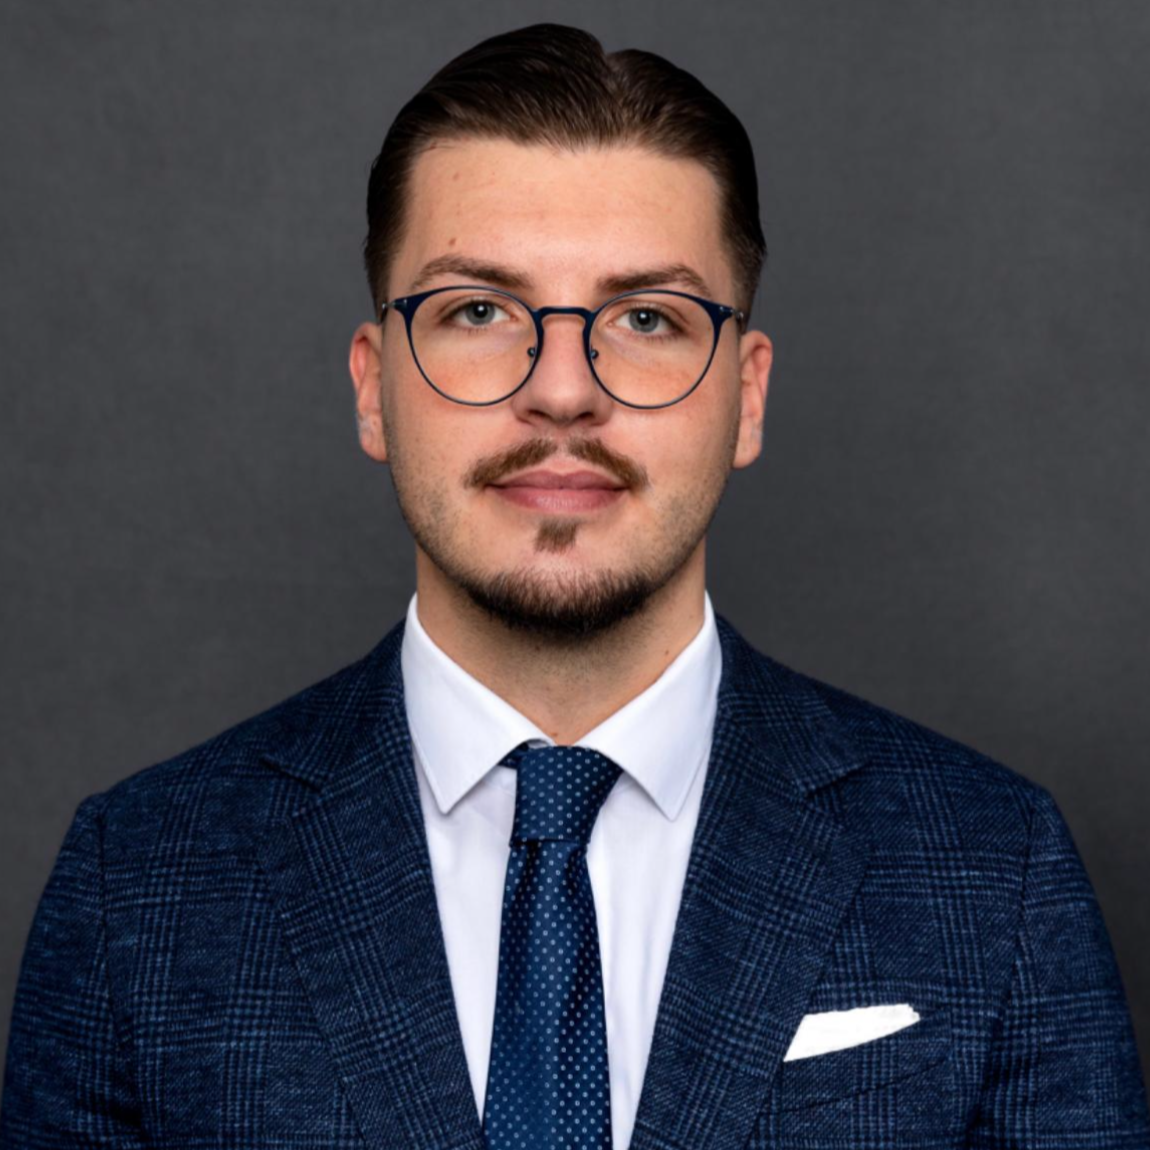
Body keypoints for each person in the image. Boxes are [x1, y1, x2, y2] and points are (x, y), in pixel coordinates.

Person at [2, 21, 1146, 1149]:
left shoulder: (994, 868)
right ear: (372, 387)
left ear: (746, 397)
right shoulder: (135, 883)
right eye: (477, 311)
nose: (560, 390)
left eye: (646, 318)